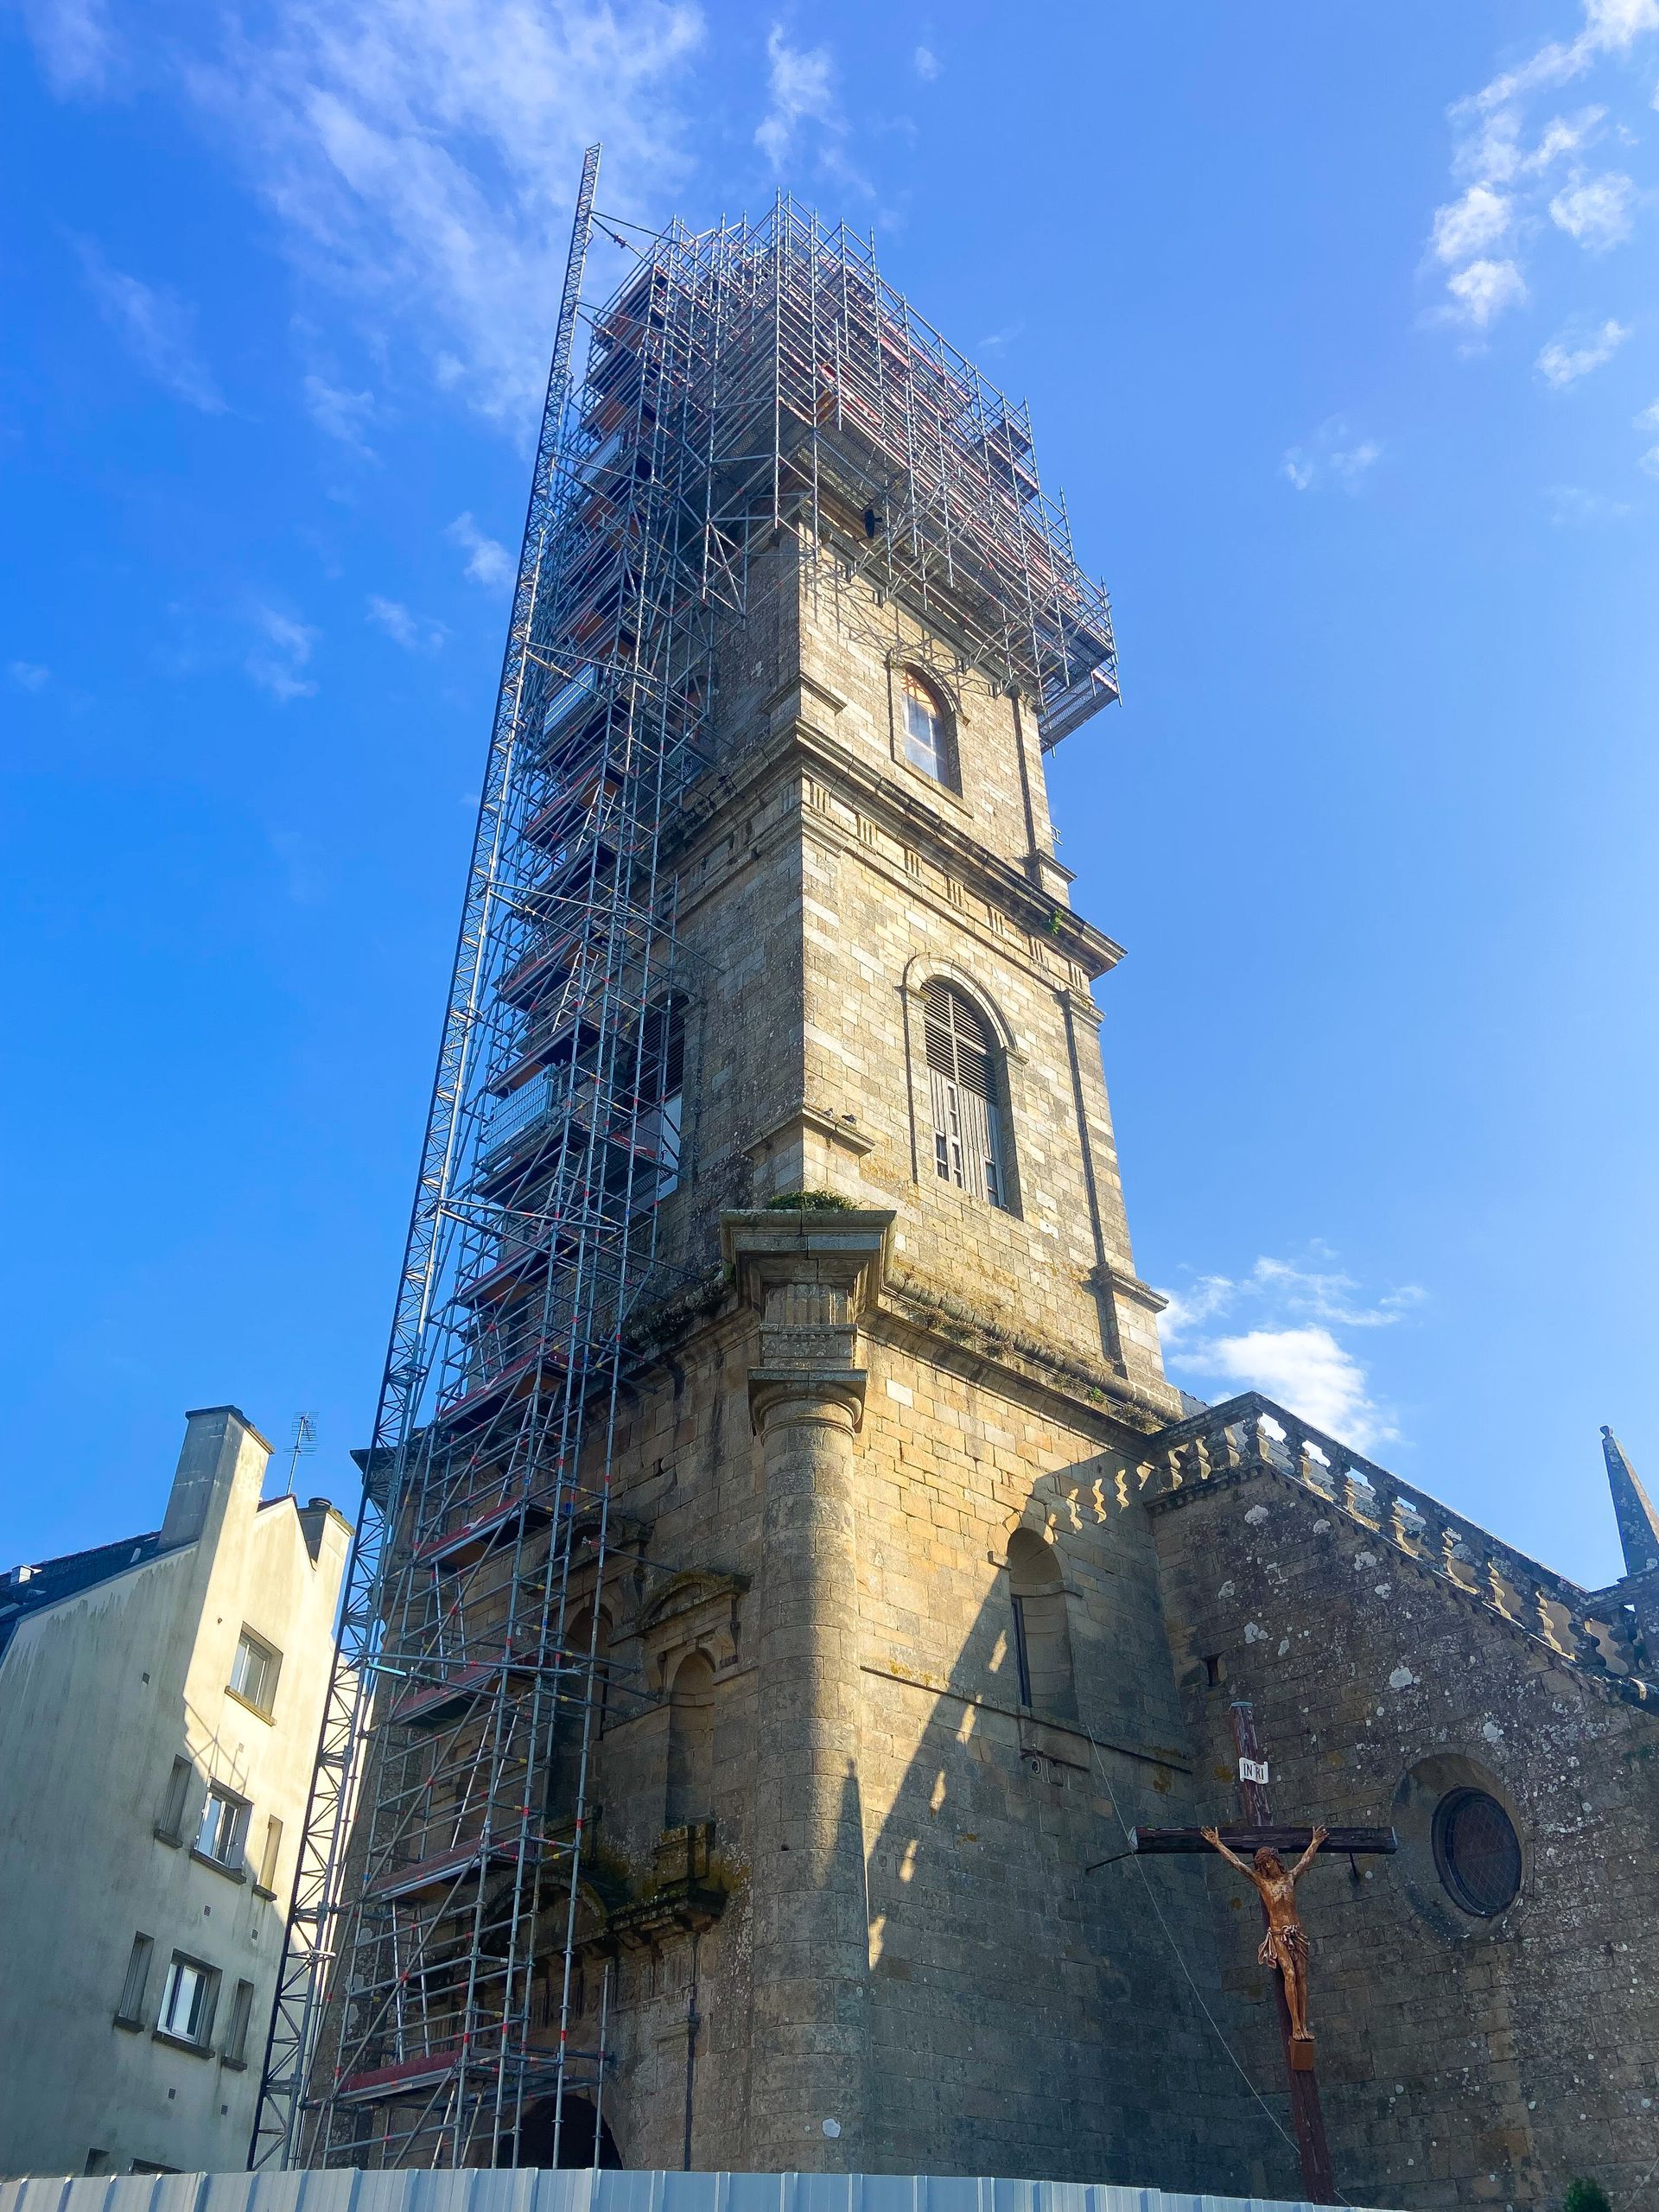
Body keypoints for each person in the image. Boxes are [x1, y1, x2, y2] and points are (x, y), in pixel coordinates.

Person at [1200, 1823, 1329, 2043]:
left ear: (1276, 1860)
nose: (1268, 1866)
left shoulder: (1289, 1878)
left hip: (1297, 1933)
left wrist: (1315, 1842)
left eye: (1269, 1861)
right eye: (1264, 1864)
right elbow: (1237, 1864)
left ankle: (1304, 2024)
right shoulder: (1263, 1883)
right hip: (1279, 1934)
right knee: (1289, 1974)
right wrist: (1218, 1844)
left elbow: (1305, 1861)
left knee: (1302, 1976)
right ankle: (1296, 2026)